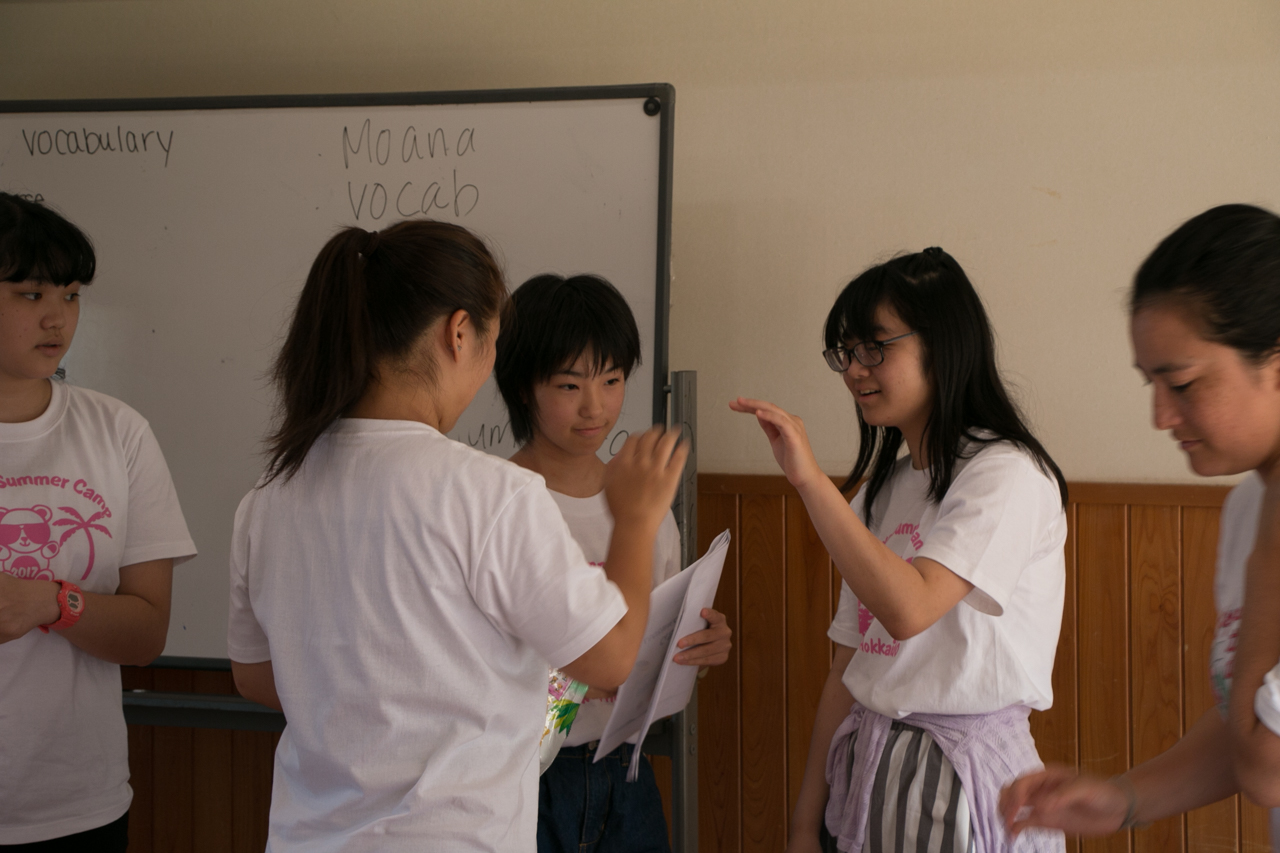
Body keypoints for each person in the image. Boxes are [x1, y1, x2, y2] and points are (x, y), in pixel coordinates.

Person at [226, 221, 688, 853]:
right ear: (459, 332)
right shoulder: (488, 493)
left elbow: (254, 676)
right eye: (493, 340)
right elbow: (608, 660)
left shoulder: (270, 496)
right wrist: (635, 520)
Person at [731, 248, 1070, 853]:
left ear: (942, 345)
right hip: (867, 766)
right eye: (846, 352)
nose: (855, 370)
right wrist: (804, 824)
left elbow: (910, 608)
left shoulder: (1007, 474)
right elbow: (849, 670)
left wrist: (809, 480)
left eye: (874, 348)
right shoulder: (880, 493)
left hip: (963, 782)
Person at [1000, 204, 1280, 848]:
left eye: (1181, 383)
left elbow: (1267, 764)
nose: (1160, 416)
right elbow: (1254, 712)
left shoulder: (1267, 526)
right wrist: (1124, 798)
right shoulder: (1251, 507)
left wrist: (1271, 552)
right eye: (1149, 381)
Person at [494, 273, 732, 853]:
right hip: (526, 775)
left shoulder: (644, 502)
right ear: (525, 386)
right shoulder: (498, 502)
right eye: (569, 385)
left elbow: (661, 635)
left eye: (612, 379)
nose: (595, 406)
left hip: (625, 772)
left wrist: (701, 648)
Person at [0, 193, 196, 851]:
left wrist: (52, 603)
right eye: (29, 294)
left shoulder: (117, 432)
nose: (57, 316)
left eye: (72, 293)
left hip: (73, 805)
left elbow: (145, 633)